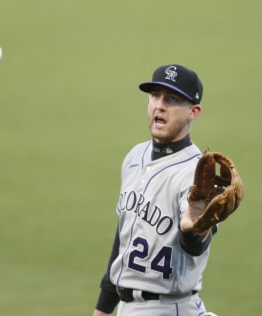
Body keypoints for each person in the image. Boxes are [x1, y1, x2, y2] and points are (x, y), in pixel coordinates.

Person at [92, 64, 220, 316]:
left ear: (193, 111)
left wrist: (191, 229)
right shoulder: (134, 156)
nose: (159, 105)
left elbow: (196, 246)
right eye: (154, 96)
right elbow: (124, 237)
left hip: (169, 307)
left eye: (172, 99)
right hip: (128, 307)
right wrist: (103, 309)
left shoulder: (197, 172)